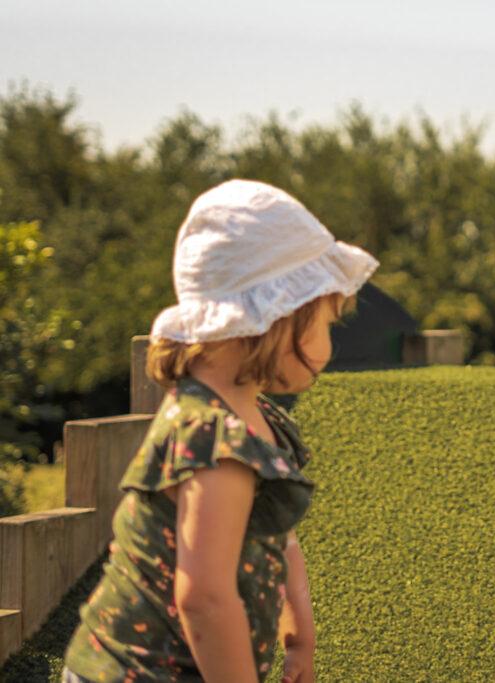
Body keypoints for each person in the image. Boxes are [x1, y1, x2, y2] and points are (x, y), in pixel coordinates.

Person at [63, 179, 379, 683]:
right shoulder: (216, 441)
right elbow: (205, 598)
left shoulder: (256, 421)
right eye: (323, 324)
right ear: (274, 317)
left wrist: (300, 636)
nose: (328, 347)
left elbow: (281, 538)